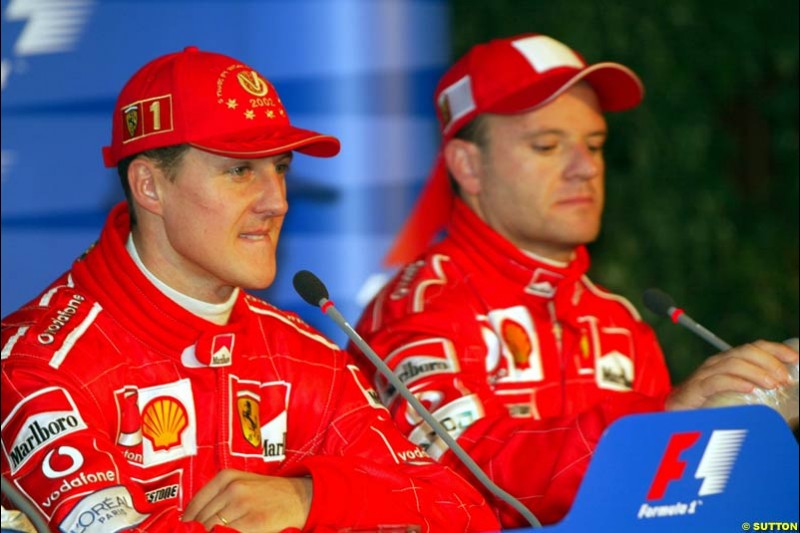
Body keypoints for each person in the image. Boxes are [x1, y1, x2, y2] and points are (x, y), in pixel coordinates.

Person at [0, 46, 501, 533]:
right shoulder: (34, 369)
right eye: (240, 170)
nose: (277, 202)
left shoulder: (305, 358)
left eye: (280, 169)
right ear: (150, 187)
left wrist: (307, 498)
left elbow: (463, 511)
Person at [351, 33, 799, 527]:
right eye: (547, 145)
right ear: (468, 166)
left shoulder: (620, 323)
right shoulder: (420, 309)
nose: (585, 168)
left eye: (596, 144)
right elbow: (463, 475)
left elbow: (667, 511)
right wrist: (661, 421)